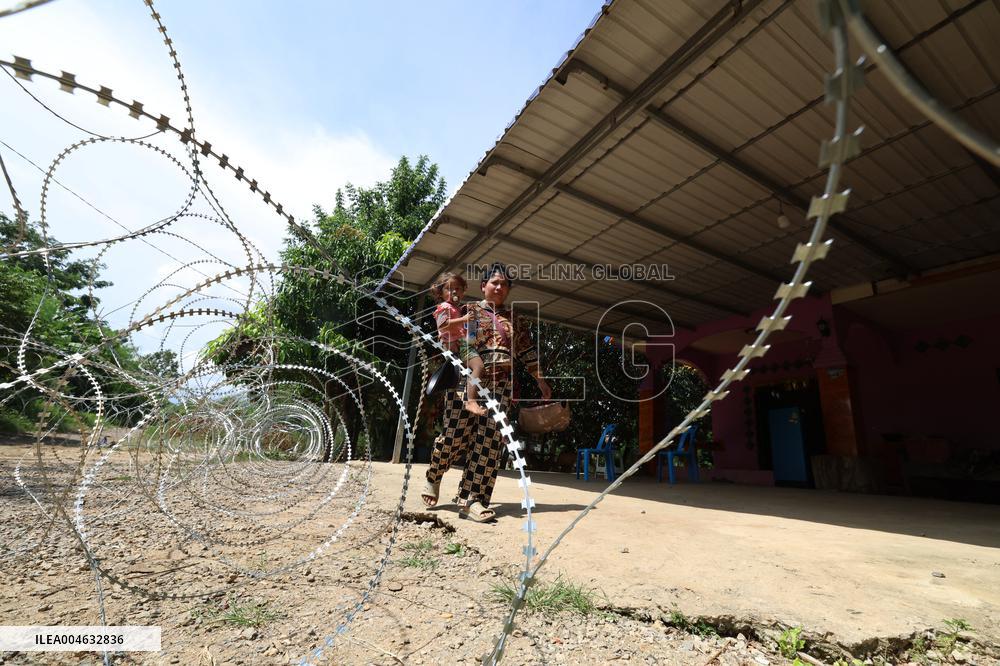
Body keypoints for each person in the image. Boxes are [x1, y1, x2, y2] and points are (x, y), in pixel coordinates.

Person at [421, 263, 551, 522]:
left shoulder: (515, 320)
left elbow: (526, 352)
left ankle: (474, 499)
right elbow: (447, 335)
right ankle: (434, 475)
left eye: (504, 284)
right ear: (483, 286)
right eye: (494, 282)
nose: (499, 287)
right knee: (454, 437)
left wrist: (541, 381)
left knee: (489, 443)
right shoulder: (467, 310)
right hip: (466, 383)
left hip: (501, 388)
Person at [430, 272, 486, 417]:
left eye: (458, 288)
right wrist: (465, 319)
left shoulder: (457, 309)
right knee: (478, 366)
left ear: (463, 291)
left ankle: (467, 398)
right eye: (449, 289)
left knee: (467, 372)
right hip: (457, 344)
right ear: (441, 293)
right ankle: (471, 401)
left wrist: (472, 327)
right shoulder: (444, 307)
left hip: (461, 343)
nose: (454, 291)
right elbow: (442, 326)